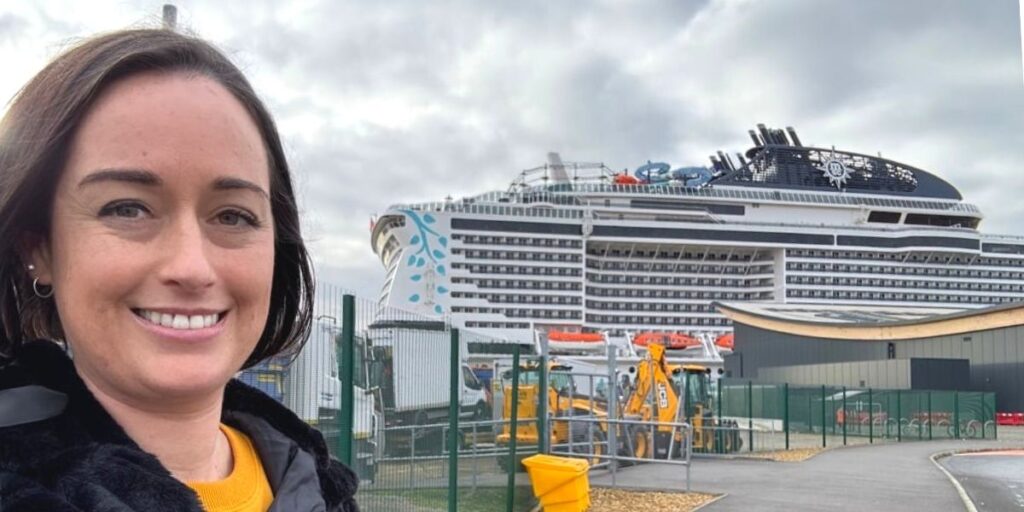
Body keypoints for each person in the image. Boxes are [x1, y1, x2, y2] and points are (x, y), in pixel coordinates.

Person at [0, 28, 359, 511]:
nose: (191, 267)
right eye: (127, 208)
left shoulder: (310, 479)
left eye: (233, 215)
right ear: (40, 247)